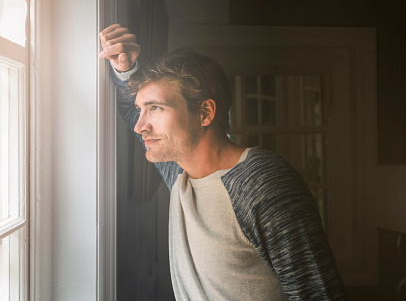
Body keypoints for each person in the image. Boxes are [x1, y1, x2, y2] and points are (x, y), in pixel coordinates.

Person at [99, 23, 347, 300]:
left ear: (205, 112)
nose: (141, 125)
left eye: (156, 108)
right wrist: (125, 68)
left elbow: (319, 294)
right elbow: (133, 118)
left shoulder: (262, 182)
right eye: (140, 110)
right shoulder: (182, 174)